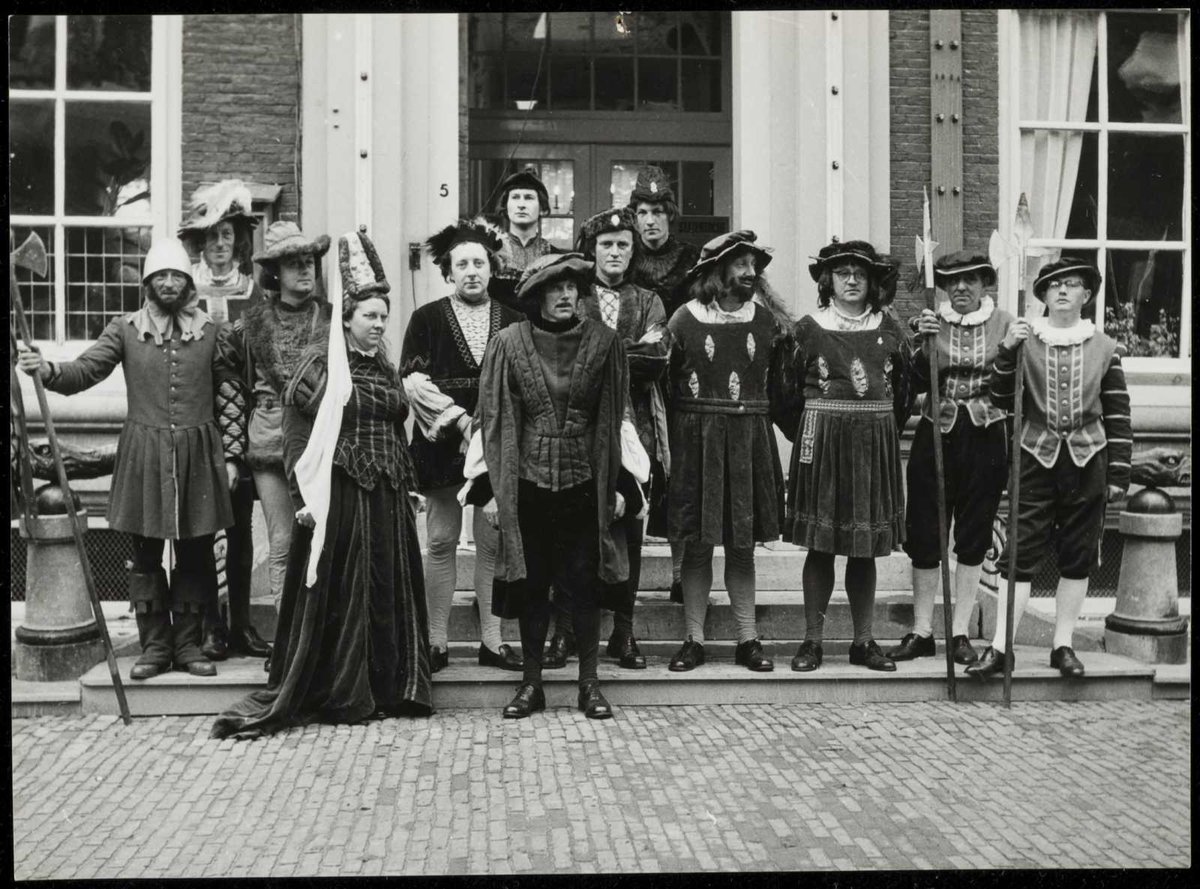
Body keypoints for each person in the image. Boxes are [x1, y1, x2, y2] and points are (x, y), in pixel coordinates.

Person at [211, 231, 433, 738]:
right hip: (344, 496)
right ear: (347, 320)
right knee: (344, 591)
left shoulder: (384, 365)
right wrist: (304, 498)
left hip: (389, 493)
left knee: (386, 585)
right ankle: (344, 686)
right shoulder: (320, 370)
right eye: (368, 317)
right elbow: (295, 436)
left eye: (383, 317)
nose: (378, 325)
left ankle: (390, 685)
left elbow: (395, 428)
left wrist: (410, 484)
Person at [17, 237, 243, 680]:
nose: (170, 283)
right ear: (147, 282)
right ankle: (155, 648)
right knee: (145, 558)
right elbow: (84, 371)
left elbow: (231, 396)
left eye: (177, 275)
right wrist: (45, 370)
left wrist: (232, 457)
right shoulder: (124, 329)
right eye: (161, 276)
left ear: (188, 281)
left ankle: (188, 646)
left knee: (196, 556)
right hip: (143, 455)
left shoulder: (214, 332)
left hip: (198, 456)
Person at [474, 252, 643, 719]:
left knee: (585, 584)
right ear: (537, 296)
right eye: (556, 287)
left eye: (572, 287)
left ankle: (589, 684)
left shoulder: (606, 344)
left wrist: (618, 485)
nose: (567, 294)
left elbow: (614, 418)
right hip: (527, 481)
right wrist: (493, 488)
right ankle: (531, 685)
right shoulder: (508, 343)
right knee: (532, 584)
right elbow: (494, 421)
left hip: (585, 481)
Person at [967, 258, 1131, 679]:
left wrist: (1118, 475)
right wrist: (1006, 351)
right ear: (1042, 296)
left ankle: (1063, 645)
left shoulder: (1105, 348)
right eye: (1054, 285)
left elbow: (1117, 414)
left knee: (1077, 557)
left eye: (1072, 285)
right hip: (1034, 458)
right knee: (1019, 555)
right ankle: (1003, 648)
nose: (1062, 291)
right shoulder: (1025, 341)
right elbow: (1001, 398)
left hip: (1087, 460)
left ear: (1086, 295)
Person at [782, 240, 914, 674]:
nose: (852, 280)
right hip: (821, 443)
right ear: (828, 281)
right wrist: (812, 430)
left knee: (864, 548)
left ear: (873, 281)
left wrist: (874, 429)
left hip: (872, 443)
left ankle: (863, 641)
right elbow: (783, 396)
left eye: (860, 273)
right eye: (843, 273)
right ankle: (813, 642)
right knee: (820, 546)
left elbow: (905, 398)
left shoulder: (891, 332)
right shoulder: (807, 330)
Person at [400, 218, 525, 673]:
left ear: (492, 269)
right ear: (448, 273)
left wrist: (490, 427)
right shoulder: (426, 318)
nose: (471, 271)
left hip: (496, 443)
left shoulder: (514, 321)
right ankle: (436, 642)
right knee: (440, 540)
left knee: (492, 542)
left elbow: (523, 383)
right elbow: (412, 380)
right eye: (461, 264)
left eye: (479, 263)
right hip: (442, 441)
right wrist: (459, 420)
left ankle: (492, 642)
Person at [664, 231, 791, 674]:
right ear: (714, 272)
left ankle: (746, 639)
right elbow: (662, 386)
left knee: (742, 548)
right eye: (739, 265)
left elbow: (783, 387)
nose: (749, 274)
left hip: (748, 441)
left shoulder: (767, 322)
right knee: (698, 547)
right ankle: (693, 640)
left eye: (753, 266)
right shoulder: (683, 319)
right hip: (696, 441)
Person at [888, 251, 1015, 666]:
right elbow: (916, 382)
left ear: (984, 284)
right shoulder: (930, 321)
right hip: (935, 434)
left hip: (986, 435)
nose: (960, 288)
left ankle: (959, 632)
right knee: (926, 532)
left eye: (970, 280)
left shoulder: (1007, 324)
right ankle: (922, 630)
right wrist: (921, 348)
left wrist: (1013, 351)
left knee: (974, 532)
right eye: (952, 281)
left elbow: (1014, 387)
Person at [176, 179, 272, 661]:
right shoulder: (182, 290)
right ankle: (208, 626)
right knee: (201, 527)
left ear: (238, 241)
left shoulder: (255, 292)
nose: (219, 246)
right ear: (200, 243)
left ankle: (242, 624)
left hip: (245, 422)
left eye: (227, 237)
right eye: (211, 237)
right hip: (196, 421)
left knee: (239, 526)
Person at [227, 222, 333, 661]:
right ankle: (289, 640)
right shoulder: (250, 325)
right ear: (276, 273)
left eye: (308, 262)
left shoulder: (331, 318)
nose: (304, 271)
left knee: (325, 539)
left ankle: (323, 639)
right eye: (294, 264)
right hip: (270, 442)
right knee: (284, 541)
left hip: (322, 438)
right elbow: (232, 384)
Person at [572, 207, 670, 670]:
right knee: (571, 529)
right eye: (607, 244)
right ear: (591, 249)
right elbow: (563, 353)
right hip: (577, 428)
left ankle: (623, 632)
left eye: (623, 245)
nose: (615, 252)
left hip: (636, 430)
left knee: (630, 528)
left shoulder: (649, 300)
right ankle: (565, 628)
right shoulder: (573, 296)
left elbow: (657, 355)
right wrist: (623, 354)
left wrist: (599, 354)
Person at [626, 165, 701, 604]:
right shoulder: (621, 255)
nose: (650, 220)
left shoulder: (690, 261)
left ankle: (679, 573)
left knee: (680, 477)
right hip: (635, 384)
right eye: (642, 212)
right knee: (635, 472)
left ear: (670, 215)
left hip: (680, 384)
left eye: (657, 211)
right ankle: (623, 576)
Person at [487, 170, 560, 310]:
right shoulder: (490, 253)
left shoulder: (553, 256)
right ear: (505, 206)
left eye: (528, 198)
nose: (521, 204)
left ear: (542, 208)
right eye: (515, 197)